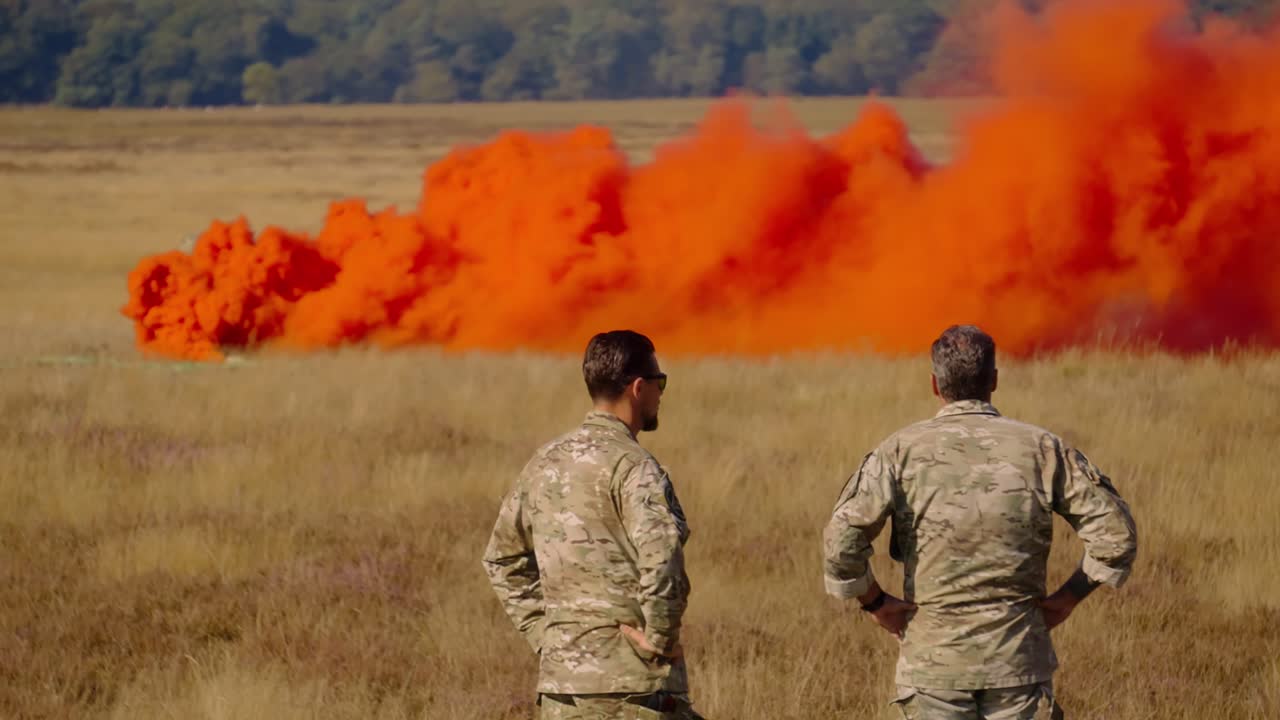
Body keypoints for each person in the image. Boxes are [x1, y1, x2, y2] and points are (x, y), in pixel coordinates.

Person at [823, 324, 1138, 719]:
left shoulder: (898, 452)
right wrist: (1068, 598)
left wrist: (875, 602)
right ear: (994, 380)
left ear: (936, 385)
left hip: (932, 670)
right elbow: (1116, 536)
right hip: (1018, 666)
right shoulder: (1043, 449)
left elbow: (840, 543)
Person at [484, 330, 704, 720]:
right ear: (638, 387)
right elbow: (662, 557)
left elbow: (501, 560)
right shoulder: (635, 467)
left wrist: (547, 638)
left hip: (562, 693)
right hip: (632, 689)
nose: (661, 393)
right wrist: (659, 641)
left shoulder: (543, 464)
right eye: (659, 383)